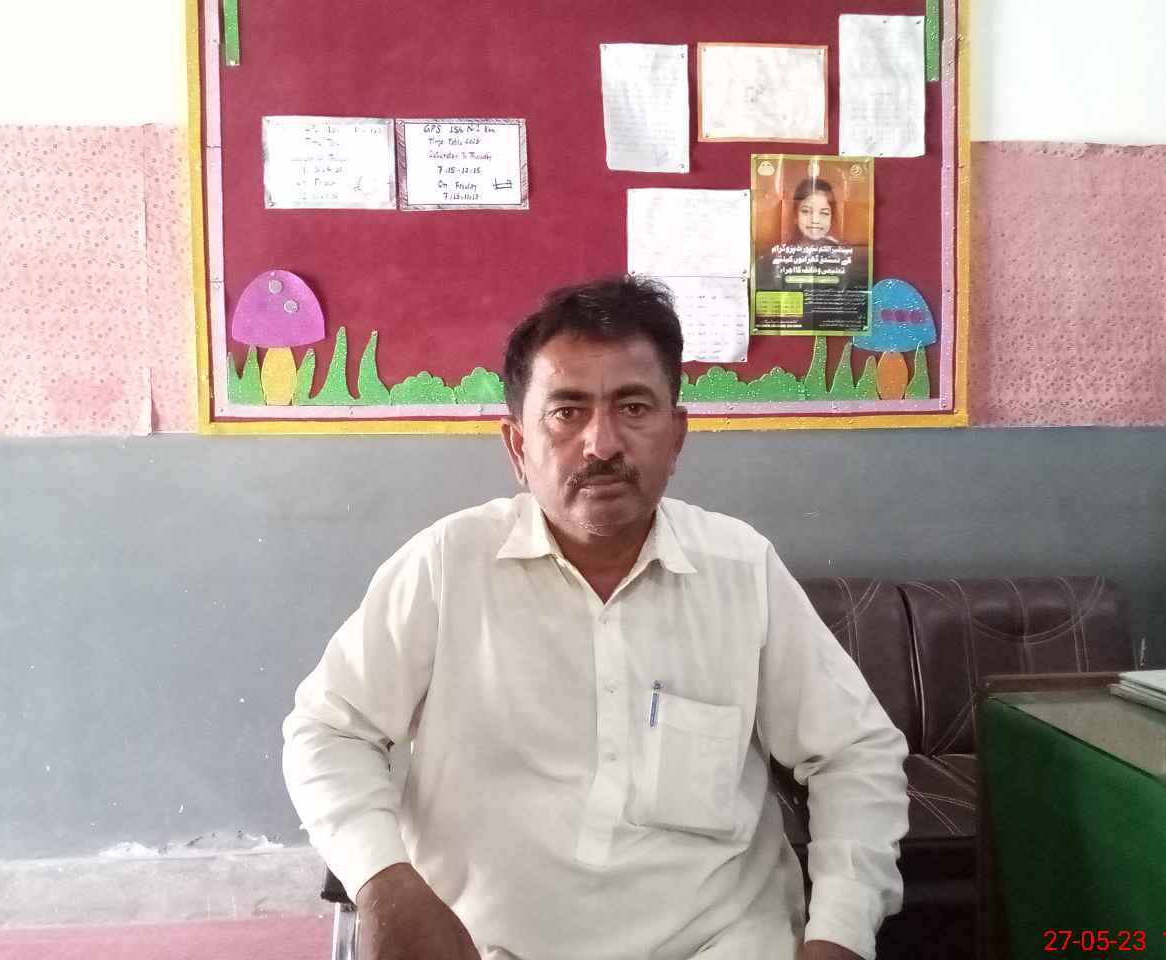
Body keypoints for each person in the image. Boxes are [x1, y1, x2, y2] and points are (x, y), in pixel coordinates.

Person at [282, 275, 909, 960]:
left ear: (677, 435)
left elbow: (854, 754)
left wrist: (840, 935)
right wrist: (383, 880)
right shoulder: (445, 566)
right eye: (566, 412)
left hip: (722, 944)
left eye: (633, 407)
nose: (601, 443)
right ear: (517, 447)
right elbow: (328, 731)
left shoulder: (741, 568)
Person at [754, 179, 871, 334]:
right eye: (806, 211)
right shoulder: (770, 262)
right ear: (795, 215)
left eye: (824, 213)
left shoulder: (851, 262)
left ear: (831, 217)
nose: (815, 220)